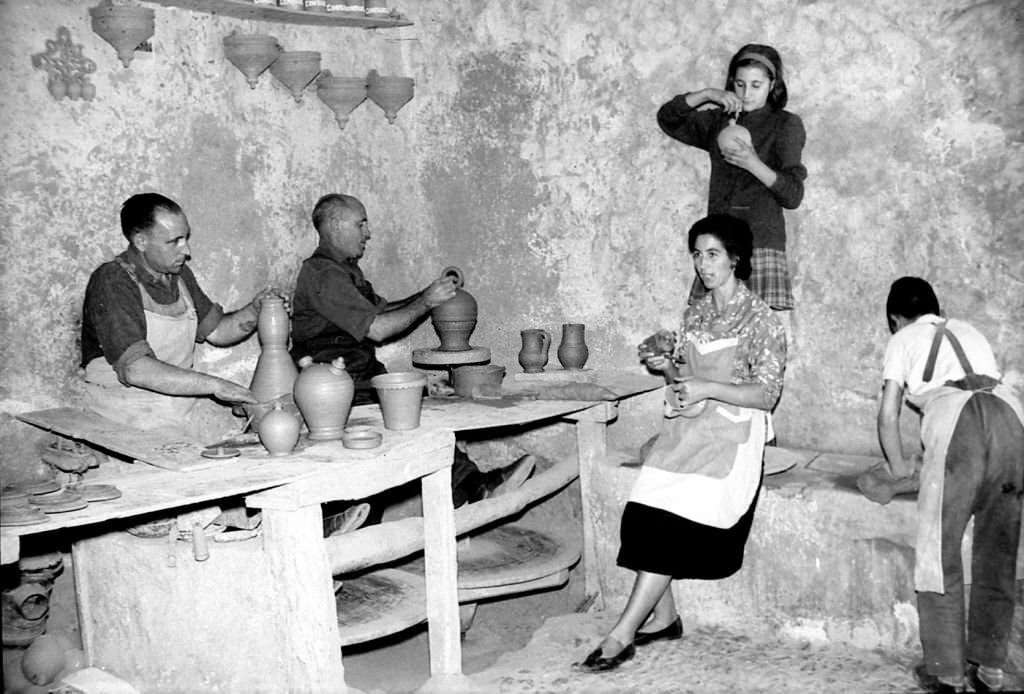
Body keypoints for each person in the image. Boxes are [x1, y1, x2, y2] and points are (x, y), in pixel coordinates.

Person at [577, 214, 786, 673]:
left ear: (735, 258)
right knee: (644, 508)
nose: (703, 264)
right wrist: (664, 367)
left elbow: (765, 394)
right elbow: (683, 381)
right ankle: (665, 617)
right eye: (697, 255)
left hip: (735, 433)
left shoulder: (761, 320)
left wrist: (708, 390)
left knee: (675, 522)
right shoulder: (695, 314)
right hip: (692, 428)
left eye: (712, 254)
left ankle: (622, 633)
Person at [291, 193, 535, 509]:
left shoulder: (343, 271)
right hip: (332, 389)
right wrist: (427, 302)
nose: (368, 233)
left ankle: (471, 492)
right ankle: (473, 488)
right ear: (335, 225)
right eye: (361, 224)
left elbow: (383, 312)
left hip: (358, 380)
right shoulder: (324, 275)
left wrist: (427, 293)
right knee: (407, 423)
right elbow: (378, 328)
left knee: (420, 414)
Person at [862, 277, 1023, 694]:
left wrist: (898, 469)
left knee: (938, 551)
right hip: (1012, 422)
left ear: (895, 319)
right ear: (937, 307)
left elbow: (887, 415)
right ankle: (991, 669)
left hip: (959, 428)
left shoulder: (902, 340)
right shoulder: (968, 330)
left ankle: (947, 672)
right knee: (998, 549)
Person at [81, 193, 283, 440]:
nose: (185, 250)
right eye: (174, 241)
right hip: (125, 412)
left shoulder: (178, 275)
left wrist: (256, 309)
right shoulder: (112, 282)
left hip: (175, 407)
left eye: (185, 238)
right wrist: (217, 385)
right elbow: (136, 370)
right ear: (141, 241)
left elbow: (219, 332)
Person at [657, 44, 807, 311]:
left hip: (760, 243)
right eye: (739, 84)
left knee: (757, 343)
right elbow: (668, 119)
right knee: (711, 339)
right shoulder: (719, 121)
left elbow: (793, 195)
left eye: (756, 85)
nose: (746, 93)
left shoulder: (785, 124)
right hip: (718, 244)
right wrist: (706, 95)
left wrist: (753, 163)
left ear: (773, 85)